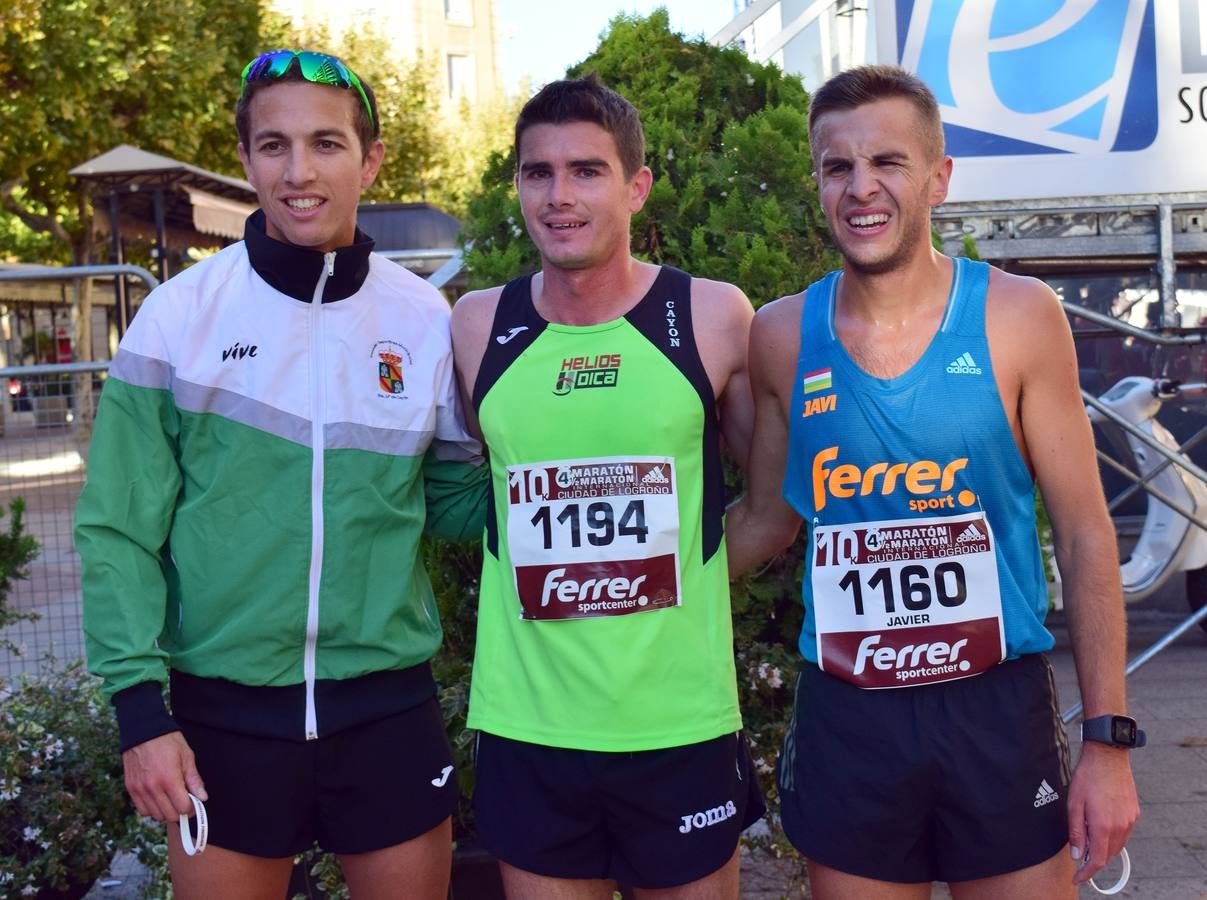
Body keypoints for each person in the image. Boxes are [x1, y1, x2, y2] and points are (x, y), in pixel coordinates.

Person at [76, 50, 485, 899]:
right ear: (247, 159)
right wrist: (138, 714)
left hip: (385, 709)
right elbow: (116, 529)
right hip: (223, 716)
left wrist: (565, 465)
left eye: (326, 145)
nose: (299, 173)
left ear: (369, 160)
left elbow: (447, 504)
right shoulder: (177, 317)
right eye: (273, 146)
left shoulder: (420, 318)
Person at [726, 64, 1141, 898]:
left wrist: (1107, 742)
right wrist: (633, 581)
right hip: (851, 714)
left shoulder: (1019, 316)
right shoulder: (777, 335)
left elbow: (1087, 532)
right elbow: (767, 520)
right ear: (816, 182)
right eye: (836, 167)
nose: (860, 187)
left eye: (887, 162)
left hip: (993, 708)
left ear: (937, 178)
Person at [450, 74, 764, 898]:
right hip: (530, 728)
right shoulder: (476, 324)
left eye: (586, 171)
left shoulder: (712, 316)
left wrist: (685, 580)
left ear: (635, 186)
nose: (559, 196)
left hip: (678, 724)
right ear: (516, 184)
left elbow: (774, 504)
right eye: (537, 173)